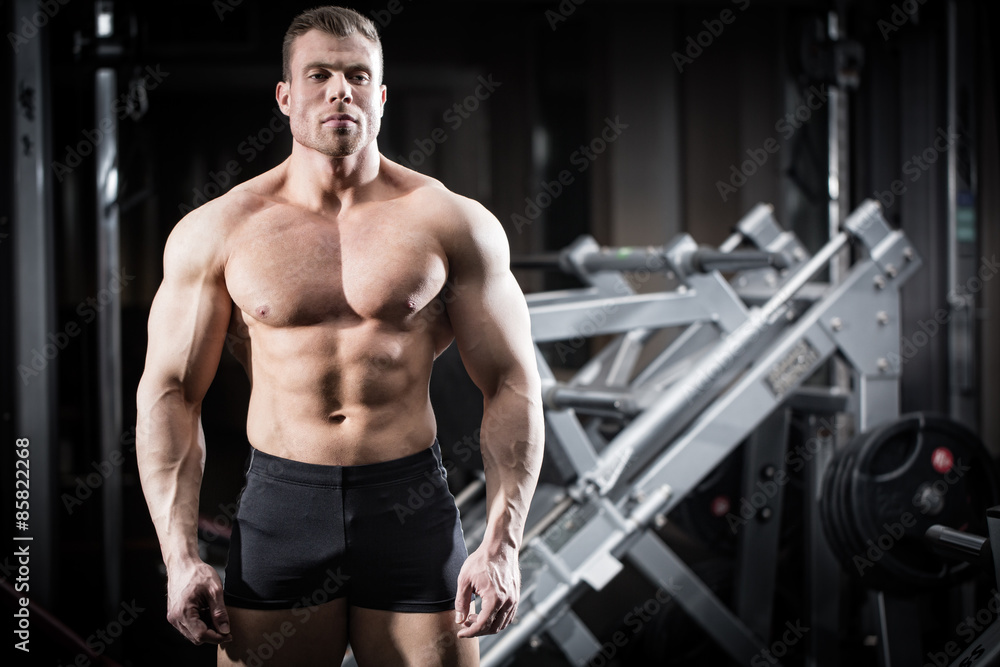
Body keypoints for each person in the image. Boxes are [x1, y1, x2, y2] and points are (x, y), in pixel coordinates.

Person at [135, 6, 543, 666]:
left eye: (357, 75)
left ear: (381, 95)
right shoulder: (220, 231)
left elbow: (513, 384)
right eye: (318, 74)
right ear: (286, 95)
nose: (339, 90)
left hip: (408, 507)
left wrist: (502, 545)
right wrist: (179, 558)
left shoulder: (451, 223)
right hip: (282, 509)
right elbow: (171, 393)